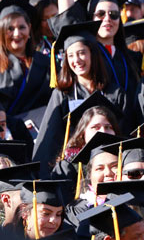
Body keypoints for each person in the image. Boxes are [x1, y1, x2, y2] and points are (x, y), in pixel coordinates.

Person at [33, 23, 131, 167]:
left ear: (93, 54)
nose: (76, 60)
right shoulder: (62, 95)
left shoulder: (115, 94)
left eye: (81, 53)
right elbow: (50, 137)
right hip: (74, 166)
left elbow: (125, 132)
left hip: (110, 164)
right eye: (70, 55)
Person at [0, 0, 52, 115]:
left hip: (41, 129)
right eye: (10, 29)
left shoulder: (46, 63)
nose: (17, 33)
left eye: (22, 27)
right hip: (6, 131)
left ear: (29, 28)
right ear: (1, 32)